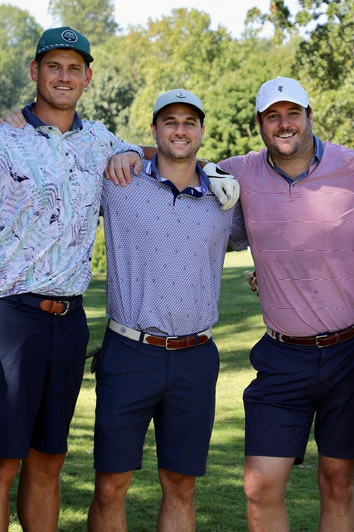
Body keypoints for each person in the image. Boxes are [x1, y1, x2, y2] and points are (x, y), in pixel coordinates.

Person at [0, 29, 238, 532]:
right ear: (35, 72)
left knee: (49, 459)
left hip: (68, 322)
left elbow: (167, 152)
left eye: (74, 68)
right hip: (10, 316)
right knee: (4, 464)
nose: (63, 76)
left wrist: (199, 164)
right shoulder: (7, 135)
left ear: (87, 77)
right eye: (53, 66)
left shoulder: (104, 145)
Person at [218, 77, 354, 532]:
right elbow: (176, 158)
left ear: (309, 116)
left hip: (350, 352)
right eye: (272, 116)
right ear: (259, 123)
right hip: (282, 356)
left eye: (292, 113)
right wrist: (128, 154)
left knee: (338, 484)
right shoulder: (239, 171)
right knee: (260, 488)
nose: (284, 123)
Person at [87, 89, 245, 532]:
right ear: (155, 129)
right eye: (170, 122)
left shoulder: (224, 198)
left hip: (196, 357)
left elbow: (274, 236)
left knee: (181, 486)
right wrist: (127, 150)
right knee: (110, 486)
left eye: (189, 122)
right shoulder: (118, 181)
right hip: (130, 353)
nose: (180, 130)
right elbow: (82, 142)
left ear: (200, 131)